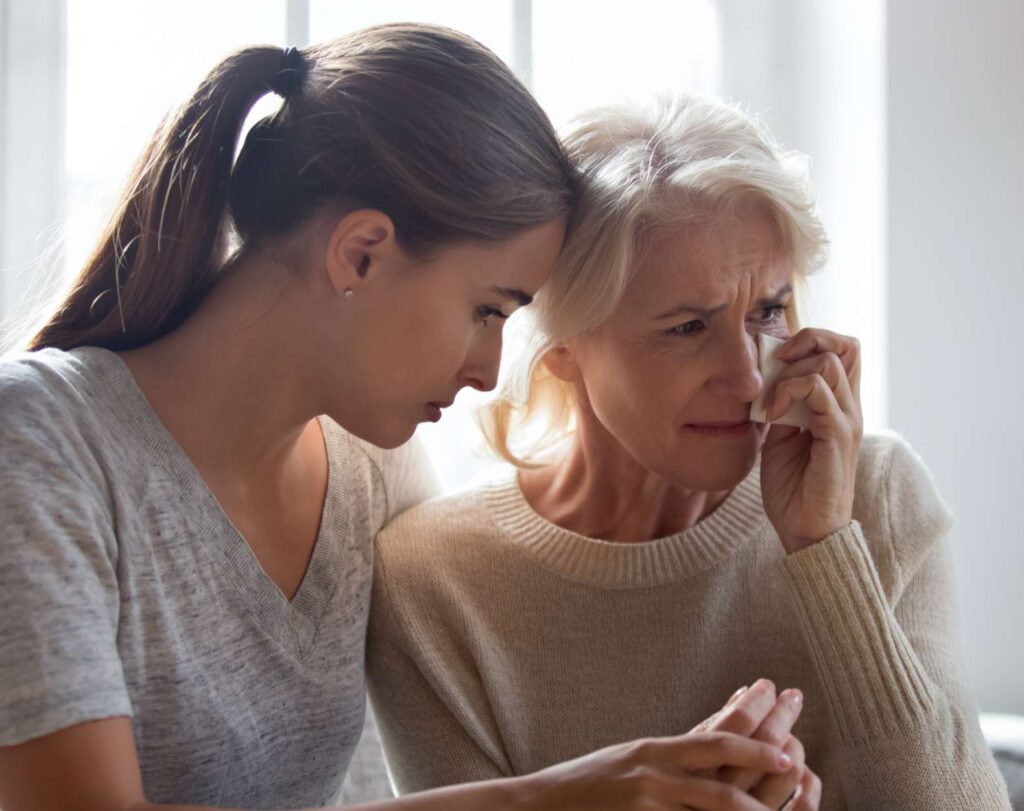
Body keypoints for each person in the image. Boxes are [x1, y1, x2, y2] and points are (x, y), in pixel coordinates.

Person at [0, 25, 805, 811]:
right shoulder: (42, 439)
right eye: (487, 310)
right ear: (360, 253)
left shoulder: (372, 472)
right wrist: (565, 795)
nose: (491, 369)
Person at [367, 94, 1012, 810]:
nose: (745, 378)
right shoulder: (433, 580)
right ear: (563, 349)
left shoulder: (876, 491)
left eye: (767, 310)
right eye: (686, 328)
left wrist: (826, 548)